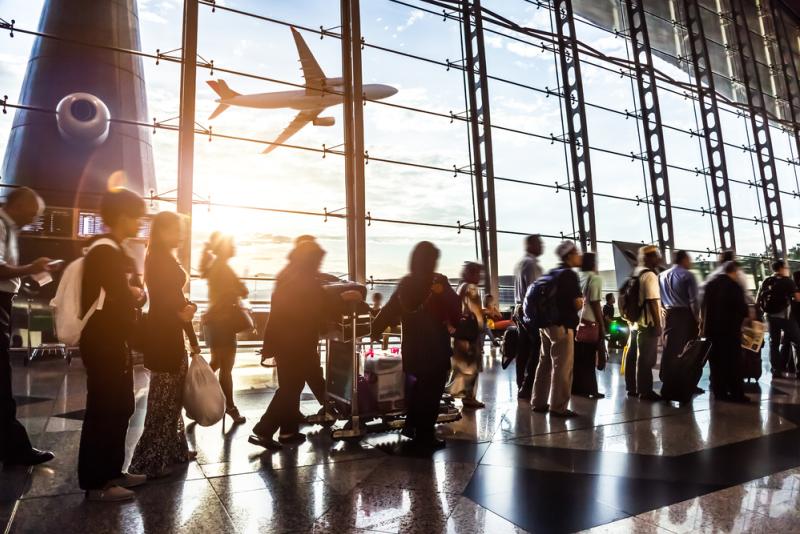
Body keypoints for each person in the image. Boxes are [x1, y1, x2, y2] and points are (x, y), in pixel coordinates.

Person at [250, 240, 360, 450]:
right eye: (317, 261)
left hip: (285, 341)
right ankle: (263, 429)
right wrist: (344, 297)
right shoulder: (303, 279)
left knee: (292, 386)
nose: (319, 265)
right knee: (290, 389)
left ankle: (288, 431)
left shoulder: (289, 273)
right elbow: (316, 305)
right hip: (296, 342)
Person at [78, 188, 147, 502]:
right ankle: (97, 481)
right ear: (123, 216)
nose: (140, 222)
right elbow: (122, 294)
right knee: (104, 409)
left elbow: (129, 292)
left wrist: (134, 292)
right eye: (137, 216)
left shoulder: (112, 249)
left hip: (112, 340)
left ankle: (113, 472)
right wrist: (134, 293)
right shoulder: (104, 250)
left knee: (121, 406)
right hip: (103, 340)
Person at [129, 212, 199, 478]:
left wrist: (186, 313)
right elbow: (166, 302)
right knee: (164, 399)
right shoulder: (160, 259)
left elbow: (171, 299)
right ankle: (149, 460)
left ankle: (173, 450)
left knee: (170, 397)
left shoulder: (159, 257)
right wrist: (183, 313)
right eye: (176, 230)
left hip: (167, 333)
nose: (181, 235)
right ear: (163, 231)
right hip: (165, 335)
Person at [372, 242, 461, 450]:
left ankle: (411, 426)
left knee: (418, 389)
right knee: (431, 393)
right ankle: (425, 435)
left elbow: (388, 310)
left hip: (412, 349)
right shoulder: (437, 282)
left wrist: (375, 330)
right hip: (434, 349)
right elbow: (455, 306)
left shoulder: (406, 284)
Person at [0, 187, 59, 467]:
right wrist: (29, 268)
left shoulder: (9, 229)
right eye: (32, 212)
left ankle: (12, 446)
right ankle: (15, 448)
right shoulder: (0, 225)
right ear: (19, 204)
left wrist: (26, 275)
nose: (34, 218)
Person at [200, 232, 248, 425]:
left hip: (216, 322)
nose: (234, 246)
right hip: (223, 324)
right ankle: (229, 407)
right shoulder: (223, 268)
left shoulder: (216, 267)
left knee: (218, 364)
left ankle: (196, 397)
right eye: (231, 243)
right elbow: (239, 291)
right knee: (225, 368)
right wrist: (238, 289)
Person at [531, 241, 583, 417]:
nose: (580, 256)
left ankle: (538, 402)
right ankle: (558, 407)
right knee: (563, 367)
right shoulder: (568, 275)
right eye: (577, 252)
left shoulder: (552, 273)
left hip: (545, 325)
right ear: (569, 255)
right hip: (562, 326)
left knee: (544, 363)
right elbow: (576, 303)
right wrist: (581, 302)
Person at [703, 261, 749, 402]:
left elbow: (703, 307)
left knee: (716, 363)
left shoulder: (710, 284)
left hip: (712, 331)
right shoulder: (734, 286)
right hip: (729, 331)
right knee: (733, 363)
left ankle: (719, 393)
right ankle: (736, 393)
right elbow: (743, 309)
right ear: (734, 271)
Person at [623, 245, 663, 401]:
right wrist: (658, 325)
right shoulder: (650, 276)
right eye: (656, 256)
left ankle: (632, 387)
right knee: (647, 359)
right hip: (648, 323)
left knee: (634, 356)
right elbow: (652, 301)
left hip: (634, 322)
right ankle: (645, 391)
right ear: (650, 258)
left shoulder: (635, 273)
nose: (659, 259)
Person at [658, 250, 701, 397]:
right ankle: (686, 384)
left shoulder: (661, 275)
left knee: (669, 350)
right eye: (689, 259)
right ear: (683, 260)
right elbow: (693, 301)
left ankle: (667, 385)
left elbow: (660, 299)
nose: (690, 262)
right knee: (689, 352)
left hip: (669, 315)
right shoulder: (688, 275)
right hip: (685, 316)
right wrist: (698, 319)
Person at [448, 261, 485, 409]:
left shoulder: (460, 286)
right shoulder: (471, 287)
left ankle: (453, 394)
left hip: (459, 332)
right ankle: (469, 398)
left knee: (459, 367)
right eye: (477, 273)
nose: (479, 276)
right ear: (470, 273)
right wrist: (482, 325)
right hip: (469, 334)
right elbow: (476, 313)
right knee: (471, 367)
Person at [756, 260, 800, 378]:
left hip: (770, 317)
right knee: (797, 341)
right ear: (781, 268)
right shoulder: (788, 281)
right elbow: (798, 298)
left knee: (773, 343)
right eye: (786, 267)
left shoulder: (766, 281)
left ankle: (776, 370)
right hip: (785, 317)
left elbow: (758, 299)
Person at [513, 235, 543, 399]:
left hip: (520, 309)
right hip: (530, 311)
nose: (542, 246)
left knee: (523, 350)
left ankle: (521, 384)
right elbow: (535, 292)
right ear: (531, 245)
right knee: (537, 349)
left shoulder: (520, 264)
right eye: (539, 243)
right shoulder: (531, 264)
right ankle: (528, 385)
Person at [572, 252, 605, 399]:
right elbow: (596, 303)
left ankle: (577, 388)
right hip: (590, 321)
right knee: (590, 358)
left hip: (577, 322)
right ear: (593, 263)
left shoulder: (578, 277)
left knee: (578, 358)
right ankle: (591, 389)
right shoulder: (595, 278)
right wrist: (601, 324)